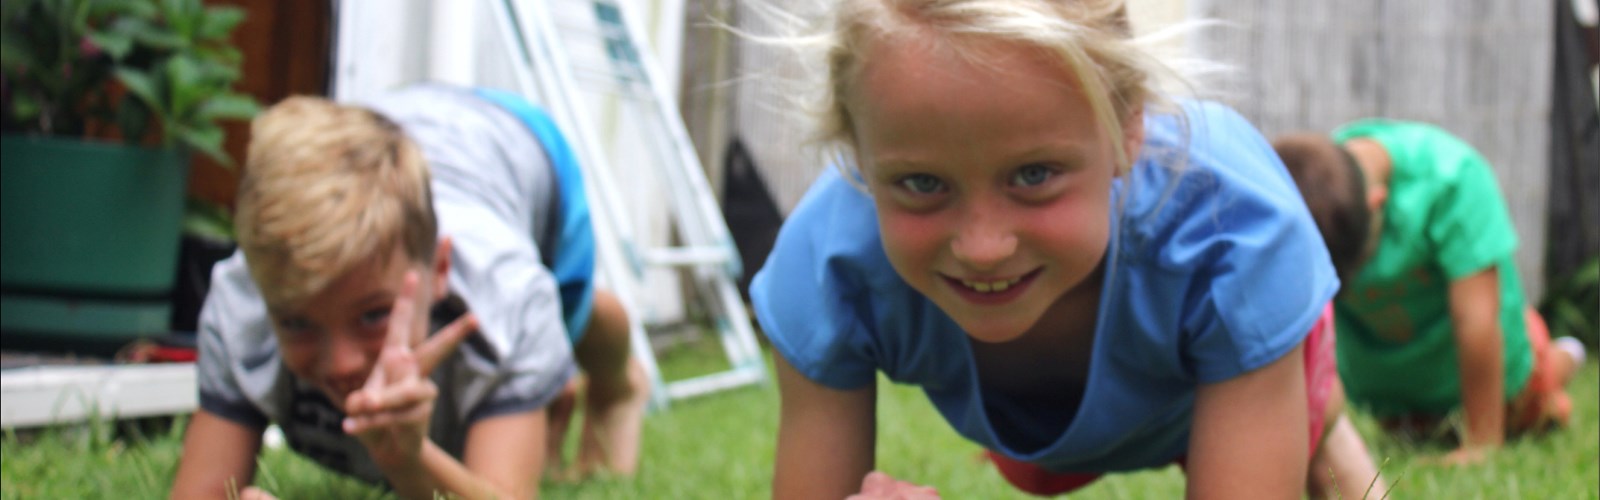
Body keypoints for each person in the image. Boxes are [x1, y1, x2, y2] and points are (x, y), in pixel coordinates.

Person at [748, 0, 1385, 497]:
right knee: (1039, 469)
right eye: (921, 184)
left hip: (1209, 377)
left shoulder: (1232, 231)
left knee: (1306, 416)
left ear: (1128, 128)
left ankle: (1324, 415)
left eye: (1034, 175)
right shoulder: (827, 266)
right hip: (1045, 437)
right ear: (857, 156)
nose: (982, 248)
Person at [169, 84, 650, 499]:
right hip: (399, 133)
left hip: (519, 149)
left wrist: (409, 457)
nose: (342, 365)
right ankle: (538, 397)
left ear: (439, 269)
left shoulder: (510, 298)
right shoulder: (243, 302)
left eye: (373, 315)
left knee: (570, 315)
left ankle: (618, 386)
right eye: (297, 322)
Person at [1272, 121, 1588, 465]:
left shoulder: (1452, 181)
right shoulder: (1310, 185)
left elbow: (1477, 321)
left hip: (1493, 375)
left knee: (1536, 401)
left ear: (1377, 203)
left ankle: (1567, 355)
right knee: (1427, 435)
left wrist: (1481, 444)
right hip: (1399, 398)